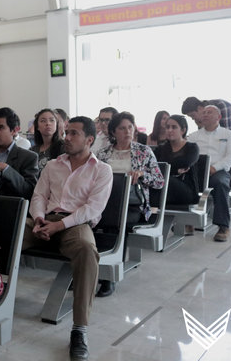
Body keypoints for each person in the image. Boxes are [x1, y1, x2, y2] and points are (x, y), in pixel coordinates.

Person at [25, 116, 113, 361]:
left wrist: (58, 225)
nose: (67, 138)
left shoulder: (102, 170)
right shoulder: (53, 165)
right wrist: (40, 218)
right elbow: (39, 196)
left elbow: (92, 209)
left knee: (87, 249)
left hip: (76, 223)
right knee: (8, 236)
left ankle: (79, 330)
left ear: (90, 140)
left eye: (74, 133)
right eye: (67, 133)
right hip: (46, 220)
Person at [96, 112, 164, 297]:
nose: (127, 131)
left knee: (114, 223)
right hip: (105, 203)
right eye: (122, 128)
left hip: (133, 205)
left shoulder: (143, 151)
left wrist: (142, 175)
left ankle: (107, 277)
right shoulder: (102, 153)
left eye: (130, 127)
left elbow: (159, 181)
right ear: (113, 132)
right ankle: (87, 269)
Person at [188, 105, 231, 242]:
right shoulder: (193, 136)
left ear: (219, 117)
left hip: (219, 171)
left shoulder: (229, 135)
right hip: (197, 172)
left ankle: (223, 227)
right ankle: (187, 221)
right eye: (203, 112)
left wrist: (214, 168)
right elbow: (187, 154)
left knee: (221, 183)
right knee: (183, 181)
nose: (205, 114)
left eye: (209, 112)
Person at [154, 115, 200, 235]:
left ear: (183, 130)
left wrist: (167, 168)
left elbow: (186, 162)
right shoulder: (161, 149)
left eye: (174, 127)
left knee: (164, 179)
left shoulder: (192, 148)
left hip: (186, 191)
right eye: (167, 127)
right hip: (165, 189)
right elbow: (153, 167)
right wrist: (175, 169)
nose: (169, 130)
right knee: (159, 180)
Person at [30, 108, 65, 173]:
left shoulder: (63, 147)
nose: (48, 123)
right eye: (43, 121)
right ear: (37, 126)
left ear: (56, 124)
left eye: (52, 120)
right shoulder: (32, 150)